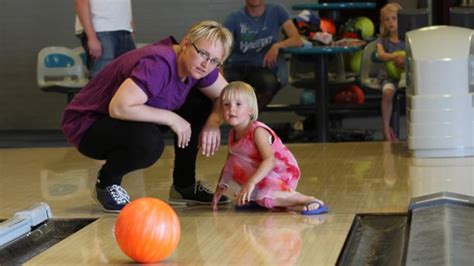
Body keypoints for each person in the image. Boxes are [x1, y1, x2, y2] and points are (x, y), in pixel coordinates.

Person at [61, 20, 233, 212]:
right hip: (88, 125)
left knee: (200, 102)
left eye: (214, 61)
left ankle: (184, 187)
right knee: (149, 142)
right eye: (203, 54)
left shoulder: (199, 67)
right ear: (185, 44)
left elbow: (229, 97)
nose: (206, 64)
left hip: (126, 118)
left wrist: (213, 122)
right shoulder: (158, 63)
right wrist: (172, 118)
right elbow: (118, 107)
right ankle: (107, 183)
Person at [211, 81, 327, 215]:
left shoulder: (258, 131)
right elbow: (229, 164)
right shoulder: (233, 134)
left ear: (251, 109)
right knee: (241, 190)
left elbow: (270, 161)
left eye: (238, 104)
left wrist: (251, 183)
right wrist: (220, 188)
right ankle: (276, 200)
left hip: (279, 172)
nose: (231, 109)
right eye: (226, 104)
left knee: (265, 198)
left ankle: (307, 200)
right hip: (261, 173)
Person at [223, 0, 303, 110]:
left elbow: (297, 40)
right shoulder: (234, 17)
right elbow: (220, 42)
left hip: (260, 67)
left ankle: (248, 117)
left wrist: (277, 46)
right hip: (236, 65)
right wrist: (219, 69)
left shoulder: (277, 11)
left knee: (269, 86)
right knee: (214, 86)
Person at [75, 0, 136, 78]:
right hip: (101, 30)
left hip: (124, 30)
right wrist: (91, 37)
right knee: (102, 78)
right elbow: (81, 2)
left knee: (127, 77)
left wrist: (131, 27)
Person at [376, 3, 406, 142]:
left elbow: (413, 55)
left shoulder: (407, 39)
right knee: (387, 92)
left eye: (394, 18)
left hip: (405, 76)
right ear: (383, 22)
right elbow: (381, 55)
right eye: (387, 19)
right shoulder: (382, 39)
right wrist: (396, 56)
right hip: (388, 76)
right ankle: (386, 129)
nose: (391, 22)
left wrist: (404, 59)